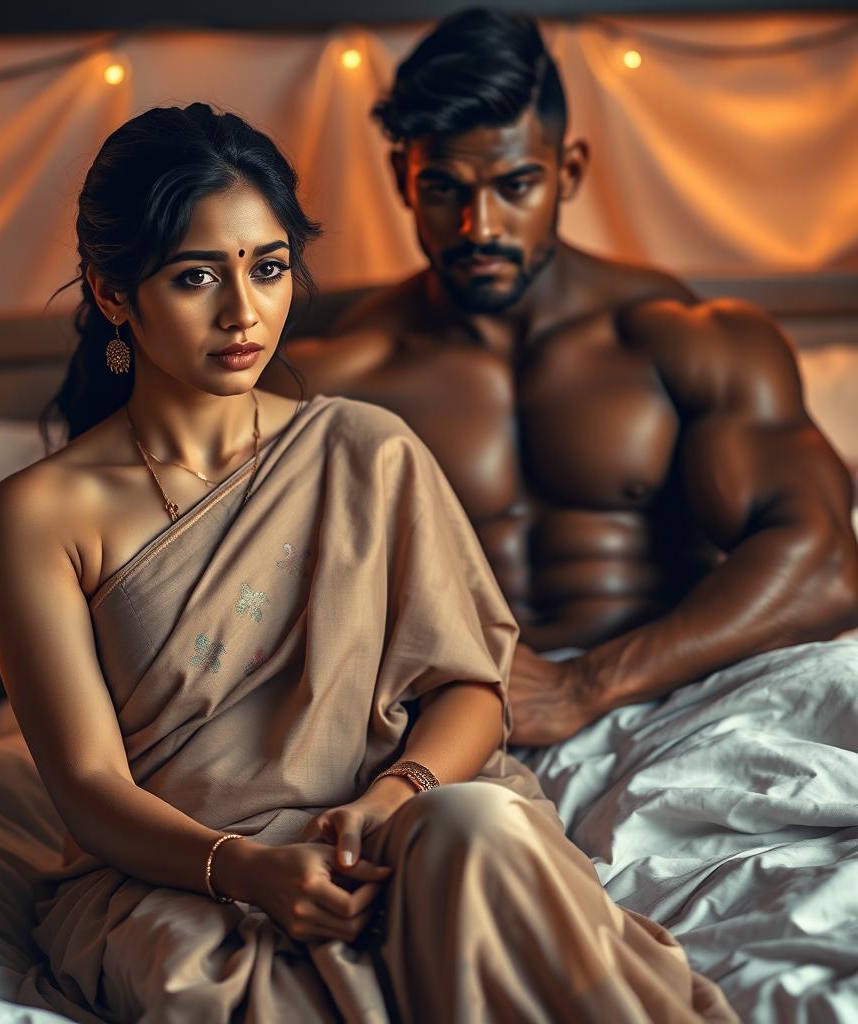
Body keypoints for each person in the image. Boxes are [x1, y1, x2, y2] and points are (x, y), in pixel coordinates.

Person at [0, 103, 735, 1023]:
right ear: (111, 293)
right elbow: (89, 788)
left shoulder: (363, 449)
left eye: (268, 268)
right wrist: (250, 870)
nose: (243, 312)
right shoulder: (38, 516)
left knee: (480, 828)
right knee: (202, 988)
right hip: (189, 871)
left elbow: (472, 689)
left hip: (396, 823)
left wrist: (392, 794)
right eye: (194, 277)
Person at [273, 8, 858, 745]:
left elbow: (828, 566)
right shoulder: (338, 367)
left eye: (515, 186)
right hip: (455, 723)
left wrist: (588, 684)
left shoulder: (687, 339)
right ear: (403, 180)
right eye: (446, 189)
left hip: (682, 692)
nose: (480, 227)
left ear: (568, 172)